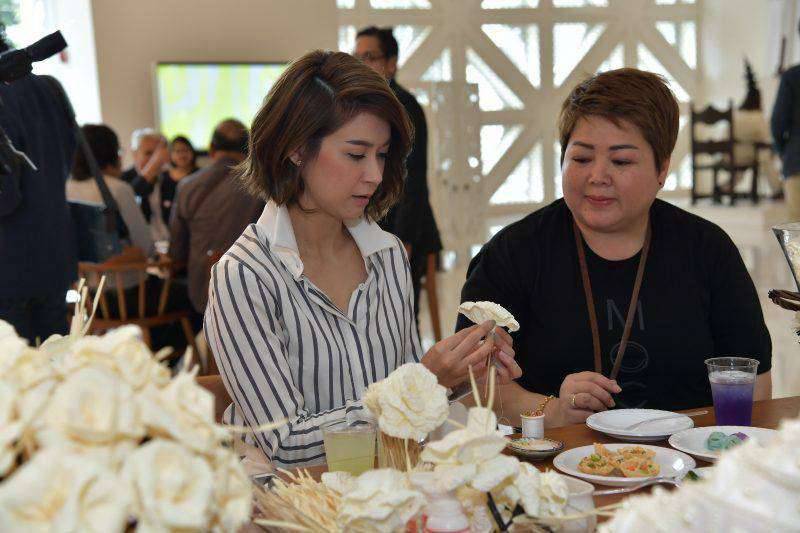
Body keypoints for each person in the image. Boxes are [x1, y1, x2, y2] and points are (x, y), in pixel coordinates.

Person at [204, 50, 521, 467]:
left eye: (382, 155)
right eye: (356, 154)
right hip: (297, 498)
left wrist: (465, 373)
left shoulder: (387, 255)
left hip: (390, 485)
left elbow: (410, 405)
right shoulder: (244, 276)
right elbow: (285, 444)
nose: (374, 174)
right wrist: (424, 383)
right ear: (296, 149)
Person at [457, 68, 772, 428]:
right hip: (556, 458)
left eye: (621, 161)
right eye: (581, 158)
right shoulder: (512, 254)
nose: (597, 177)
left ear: (662, 169)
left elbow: (753, 383)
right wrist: (553, 411)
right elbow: (473, 386)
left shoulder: (708, 250)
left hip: (689, 455)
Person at [355, 27, 443, 320]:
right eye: (357, 57)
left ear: (391, 63)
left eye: (370, 57)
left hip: (405, 227)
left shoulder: (404, 106)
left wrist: (403, 239)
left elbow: (413, 178)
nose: (361, 64)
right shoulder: (361, 105)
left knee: (400, 316)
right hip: (374, 225)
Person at [0, 27, 77, 344]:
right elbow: (69, 157)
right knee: (54, 357)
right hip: (54, 250)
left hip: (8, 263)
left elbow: (5, 197)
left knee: (15, 368)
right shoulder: (49, 88)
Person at [169, 119, 261, 320]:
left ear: (211, 149)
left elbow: (176, 251)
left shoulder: (186, 186)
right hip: (252, 292)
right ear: (249, 150)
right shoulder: (262, 187)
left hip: (202, 292)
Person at [67, 124, 154, 267]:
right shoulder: (118, 189)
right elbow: (145, 246)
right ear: (111, 155)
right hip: (118, 277)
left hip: (79, 278)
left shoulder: (66, 188)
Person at [120, 128, 171, 241]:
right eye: (149, 153)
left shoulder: (169, 177)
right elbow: (133, 193)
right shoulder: (124, 179)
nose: (155, 159)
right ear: (135, 154)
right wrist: (153, 167)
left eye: (158, 154)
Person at [157, 135, 199, 225]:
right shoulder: (163, 177)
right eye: (177, 151)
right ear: (170, 154)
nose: (182, 155)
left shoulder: (200, 175)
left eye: (185, 150)